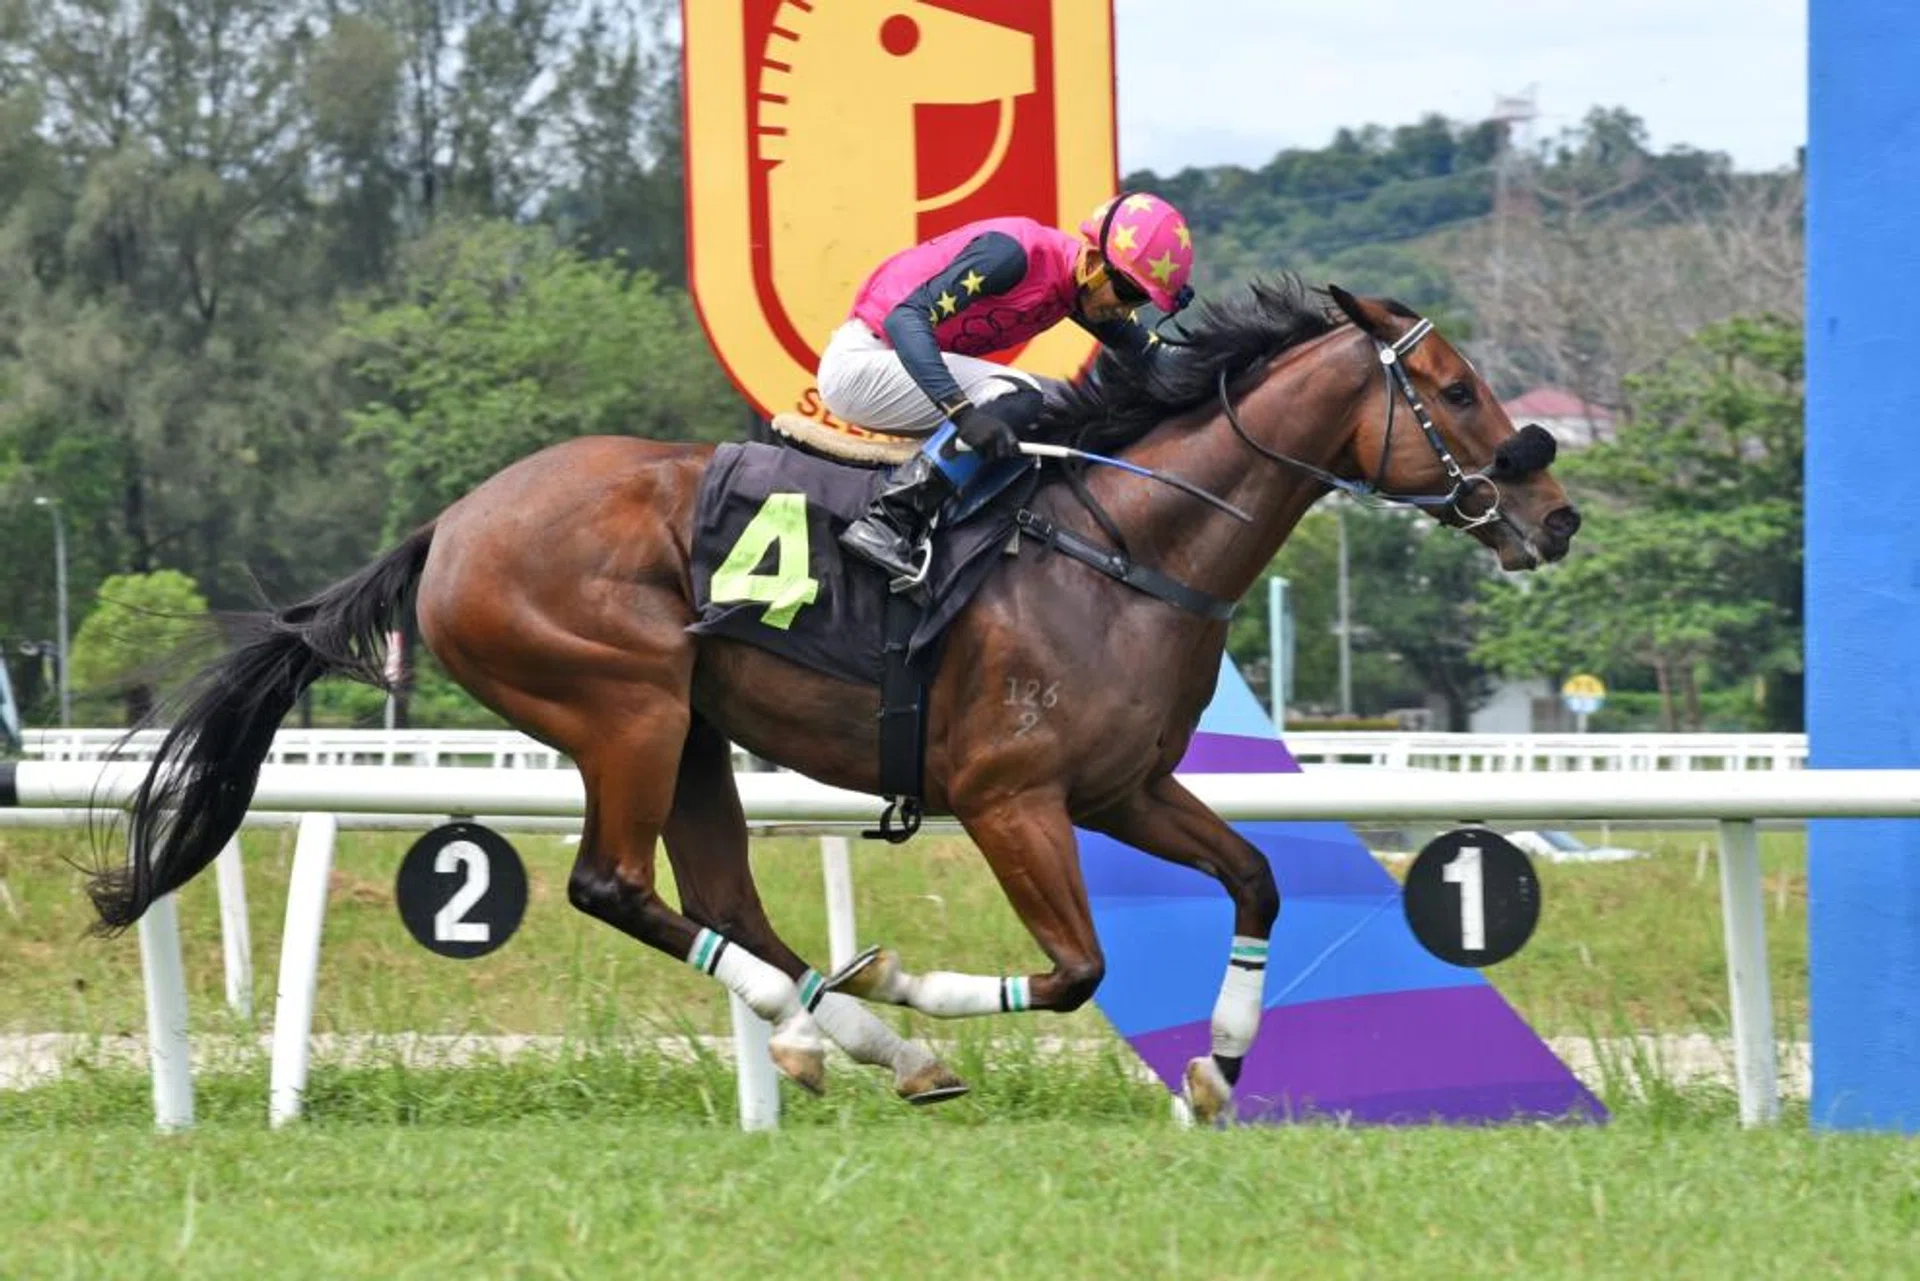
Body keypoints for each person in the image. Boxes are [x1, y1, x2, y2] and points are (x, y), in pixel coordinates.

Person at [819, 192, 1198, 584]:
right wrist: (961, 413)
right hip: (863, 363)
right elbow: (904, 321)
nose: (1127, 310)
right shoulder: (1012, 255)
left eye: (1143, 301)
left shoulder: (1077, 288)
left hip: (902, 370)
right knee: (1021, 395)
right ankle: (889, 522)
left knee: (1067, 405)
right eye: (1130, 294)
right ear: (1094, 264)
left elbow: (1155, 358)